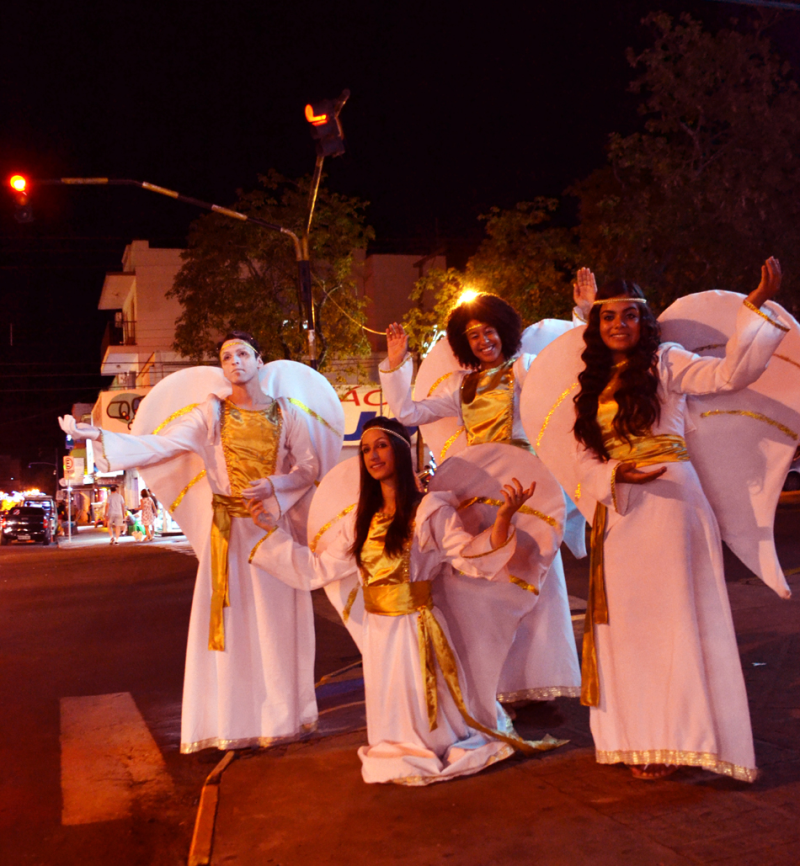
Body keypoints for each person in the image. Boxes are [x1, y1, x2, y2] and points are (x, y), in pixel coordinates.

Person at [563, 258, 787, 781]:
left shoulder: (666, 362)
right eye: (608, 317)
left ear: (644, 321)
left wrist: (753, 309)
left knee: (676, 625)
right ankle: (640, 738)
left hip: (671, 506)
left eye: (629, 315)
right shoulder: (590, 386)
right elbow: (583, 458)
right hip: (622, 510)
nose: (619, 324)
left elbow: (730, 374)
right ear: (597, 328)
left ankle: (683, 738)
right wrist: (615, 474)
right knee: (630, 629)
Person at [247, 416, 563, 785]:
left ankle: (433, 746)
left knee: (423, 713)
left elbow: (469, 557)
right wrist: (271, 533)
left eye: (381, 446)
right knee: (392, 709)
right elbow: (316, 569)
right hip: (379, 632)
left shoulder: (429, 511)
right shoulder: (359, 520)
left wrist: (503, 518)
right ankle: (400, 749)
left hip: (417, 629)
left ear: (400, 451)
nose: (372, 455)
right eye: (366, 449)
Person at [59, 331, 321, 754]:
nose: (234, 362)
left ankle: (281, 717)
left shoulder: (286, 412)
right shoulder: (211, 413)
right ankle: (231, 719)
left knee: (275, 623)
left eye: (242, 354)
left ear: (259, 360)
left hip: (269, 526)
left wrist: (274, 484)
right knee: (232, 625)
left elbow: (309, 467)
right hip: (227, 536)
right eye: (226, 357)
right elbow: (161, 445)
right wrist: (98, 435)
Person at [379, 288, 594, 711]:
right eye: (473, 336)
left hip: (529, 490)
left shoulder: (526, 369)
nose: (483, 341)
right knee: (490, 591)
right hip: (482, 495)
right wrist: (397, 363)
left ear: (504, 331)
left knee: (537, 585)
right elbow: (406, 414)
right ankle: (496, 687)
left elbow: (572, 380)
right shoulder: (460, 387)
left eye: (489, 331)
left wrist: (584, 316)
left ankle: (541, 689)